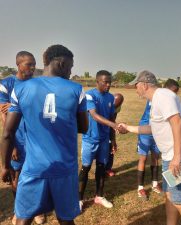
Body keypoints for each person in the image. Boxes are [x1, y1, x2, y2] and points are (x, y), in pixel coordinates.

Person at [0, 44, 88, 225]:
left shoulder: (22, 89)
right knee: (66, 219)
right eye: (70, 66)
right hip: (65, 168)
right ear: (62, 63)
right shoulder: (77, 90)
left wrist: (4, 165)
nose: (71, 72)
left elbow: (8, 133)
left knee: (23, 218)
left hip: (33, 168)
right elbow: (84, 128)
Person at [119, 70, 181, 225]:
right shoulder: (156, 100)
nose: (135, 89)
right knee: (170, 194)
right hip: (172, 156)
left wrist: (177, 157)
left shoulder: (163, 96)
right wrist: (129, 128)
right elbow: (154, 127)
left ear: (144, 85)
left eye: (136, 85)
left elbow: (177, 122)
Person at [0, 51, 45, 225]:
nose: (33, 68)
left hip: (35, 138)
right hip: (17, 138)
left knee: (37, 175)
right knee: (16, 176)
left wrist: (17, 105)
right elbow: (4, 115)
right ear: (18, 64)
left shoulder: (37, 84)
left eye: (34, 64)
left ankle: (37, 210)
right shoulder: (7, 84)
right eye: (29, 64)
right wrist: (12, 145)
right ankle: (19, 210)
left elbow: (40, 109)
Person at [79, 70, 117, 209]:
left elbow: (113, 117)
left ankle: (99, 196)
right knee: (86, 168)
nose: (108, 85)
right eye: (105, 82)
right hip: (90, 139)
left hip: (104, 139)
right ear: (97, 82)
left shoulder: (111, 98)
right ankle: (79, 199)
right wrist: (114, 125)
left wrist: (113, 139)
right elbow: (94, 115)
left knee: (101, 168)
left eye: (110, 82)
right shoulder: (89, 95)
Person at [105, 93, 124, 177]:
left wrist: (113, 140)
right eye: (114, 105)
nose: (115, 107)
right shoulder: (104, 103)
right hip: (99, 125)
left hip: (109, 125)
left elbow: (113, 120)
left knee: (111, 147)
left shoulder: (117, 107)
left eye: (117, 106)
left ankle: (108, 168)